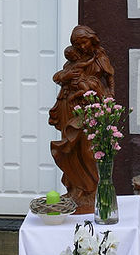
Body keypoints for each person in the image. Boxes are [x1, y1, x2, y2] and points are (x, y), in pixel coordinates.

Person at [48, 25, 115, 213]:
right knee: (71, 149)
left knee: (87, 149)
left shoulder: (100, 58)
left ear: (91, 39)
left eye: (83, 42)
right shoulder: (73, 61)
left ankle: (91, 191)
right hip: (69, 107)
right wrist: (67, 75)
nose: (82, 47)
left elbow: (110, 80)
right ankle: (75, 189)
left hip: (89, 109)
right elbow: (59, 76)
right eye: (78, 44)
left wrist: (109, 98)